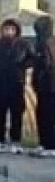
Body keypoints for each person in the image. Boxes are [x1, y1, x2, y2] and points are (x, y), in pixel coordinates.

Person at [0, 18, 34, 154]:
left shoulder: (23, 44)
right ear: (2, 30)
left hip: (17, 83)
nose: (9, 32)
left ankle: (15, 142)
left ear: (16, 31)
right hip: (0, 83)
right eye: (6, 29)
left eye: (12, 29)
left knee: (17, 113)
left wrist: (21, 67)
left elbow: (32, 58)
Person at [30, 15, 55, 158]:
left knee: (47, 116)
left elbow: (44, 65)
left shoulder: (45, 44)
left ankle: (50, 145)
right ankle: (45, 143)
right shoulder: (44, 43)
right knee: (43, 115)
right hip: (44, 85)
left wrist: (37, 78)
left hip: (48, 85)